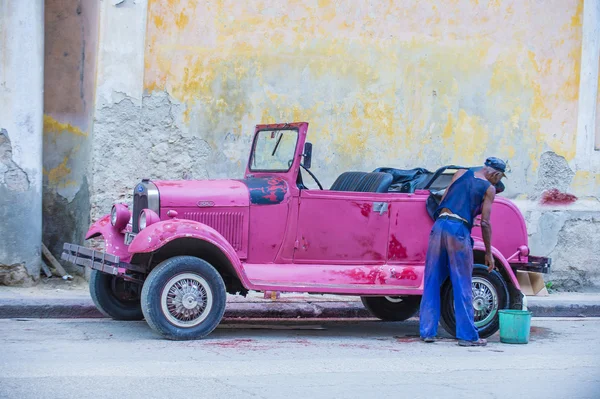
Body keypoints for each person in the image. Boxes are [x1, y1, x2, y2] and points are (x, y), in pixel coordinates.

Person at [419, 157, 507, 346]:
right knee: (462, 282)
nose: (496, 183)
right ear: (496, 174)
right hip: (457, 230)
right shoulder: (489, 188)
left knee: (432, 279)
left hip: (439, 225)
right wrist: (489, 253)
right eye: (498, 179)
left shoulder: (459, 173)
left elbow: (443, 199)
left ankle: (427, 332)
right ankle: (467, 336)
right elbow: (485, 222)